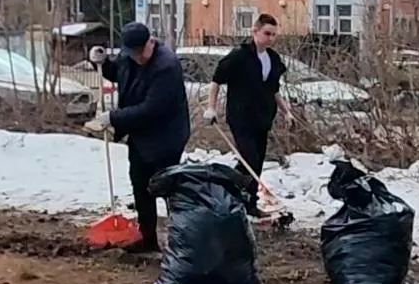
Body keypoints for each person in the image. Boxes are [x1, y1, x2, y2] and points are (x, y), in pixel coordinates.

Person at [85, 22, 190, 253]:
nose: (136, 58)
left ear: (150, 42)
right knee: (140, 184)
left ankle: (182, 240)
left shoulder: (166, 66)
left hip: (166, 135)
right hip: (141, 134)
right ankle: (147, 237)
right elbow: (119, 74)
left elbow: (152, 108)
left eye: (140, 53)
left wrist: (113, 117)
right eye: (131, 54)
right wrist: (99, 62)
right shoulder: (129, 54)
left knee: (167, 187)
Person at [202, 13, 293, 216]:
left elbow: (274, 89)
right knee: (249, 159)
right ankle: (226, 190)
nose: (270, 38)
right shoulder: (239, 56)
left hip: (263, 118)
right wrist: (211, 108)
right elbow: (216, 81)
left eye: (273, 35)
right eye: (267, 33)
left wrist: (286, 111)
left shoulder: (273, 59)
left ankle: (248, 204)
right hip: (241, 117)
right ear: (255, 31)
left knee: (257, 162)